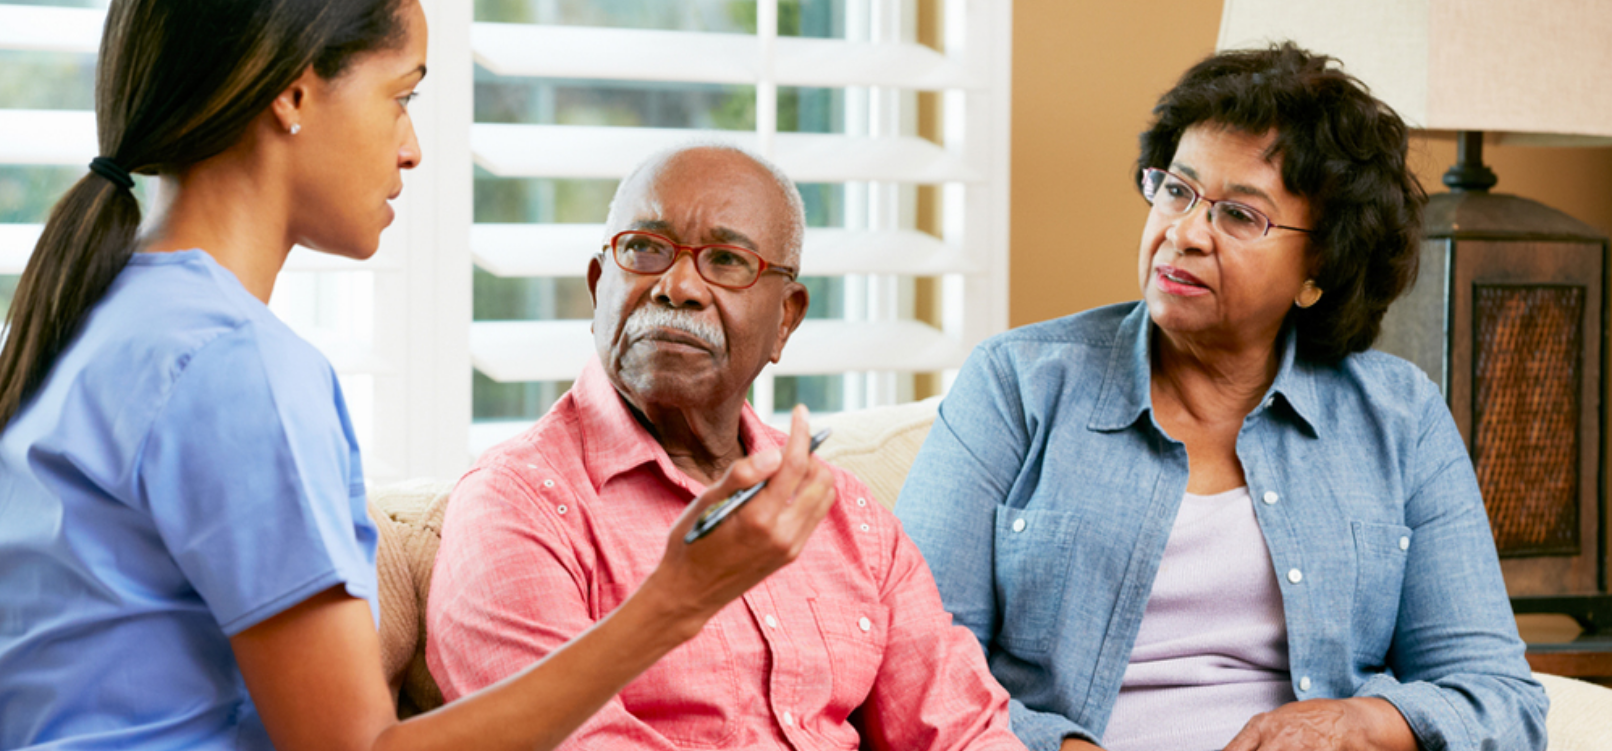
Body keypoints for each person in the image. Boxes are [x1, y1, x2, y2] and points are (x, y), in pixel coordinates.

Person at [0, 2, 836, 749]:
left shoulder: (94, 317)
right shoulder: (237, 365)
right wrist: (677, 601)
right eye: (402, 97)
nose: (413, 149)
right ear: (292, 95)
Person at [894, 43, 1548, 751]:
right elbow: (914, 658)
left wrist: (1354, 724)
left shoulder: (1400, 419)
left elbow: (1499, 699)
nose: (1183, 233)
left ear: (1319, 266)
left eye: (1239, 215)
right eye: (1177, 190)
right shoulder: (1017, 384)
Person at [425, 143, 1027, 751]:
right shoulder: (516, 504)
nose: (677, 286)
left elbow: (963, 728)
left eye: (726, 260)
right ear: (597, 285)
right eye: (645, 249)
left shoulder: (849, 515)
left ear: (786, 319)